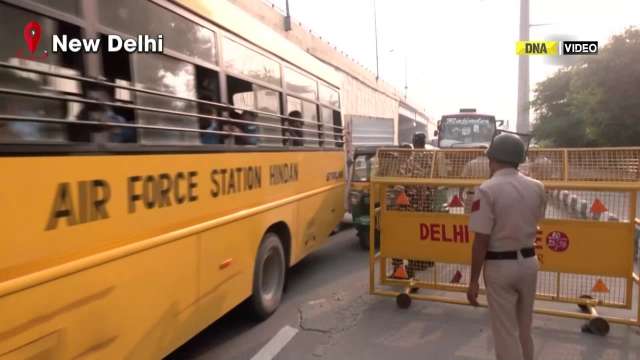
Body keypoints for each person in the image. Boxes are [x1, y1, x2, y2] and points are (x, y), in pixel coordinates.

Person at [466, 133, 546, 360]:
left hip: (500, 267)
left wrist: (473, 281)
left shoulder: (487, 190)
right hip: (529, 263)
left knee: (505, 334)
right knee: (524, 330)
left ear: (493, 159)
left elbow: (481, 240)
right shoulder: (537, 187)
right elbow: (537, 219)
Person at [69, 85, 135, 143]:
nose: (96, 102)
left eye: (100, 98)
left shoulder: (120, 120)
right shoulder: (84, 117)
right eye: (91, 99)